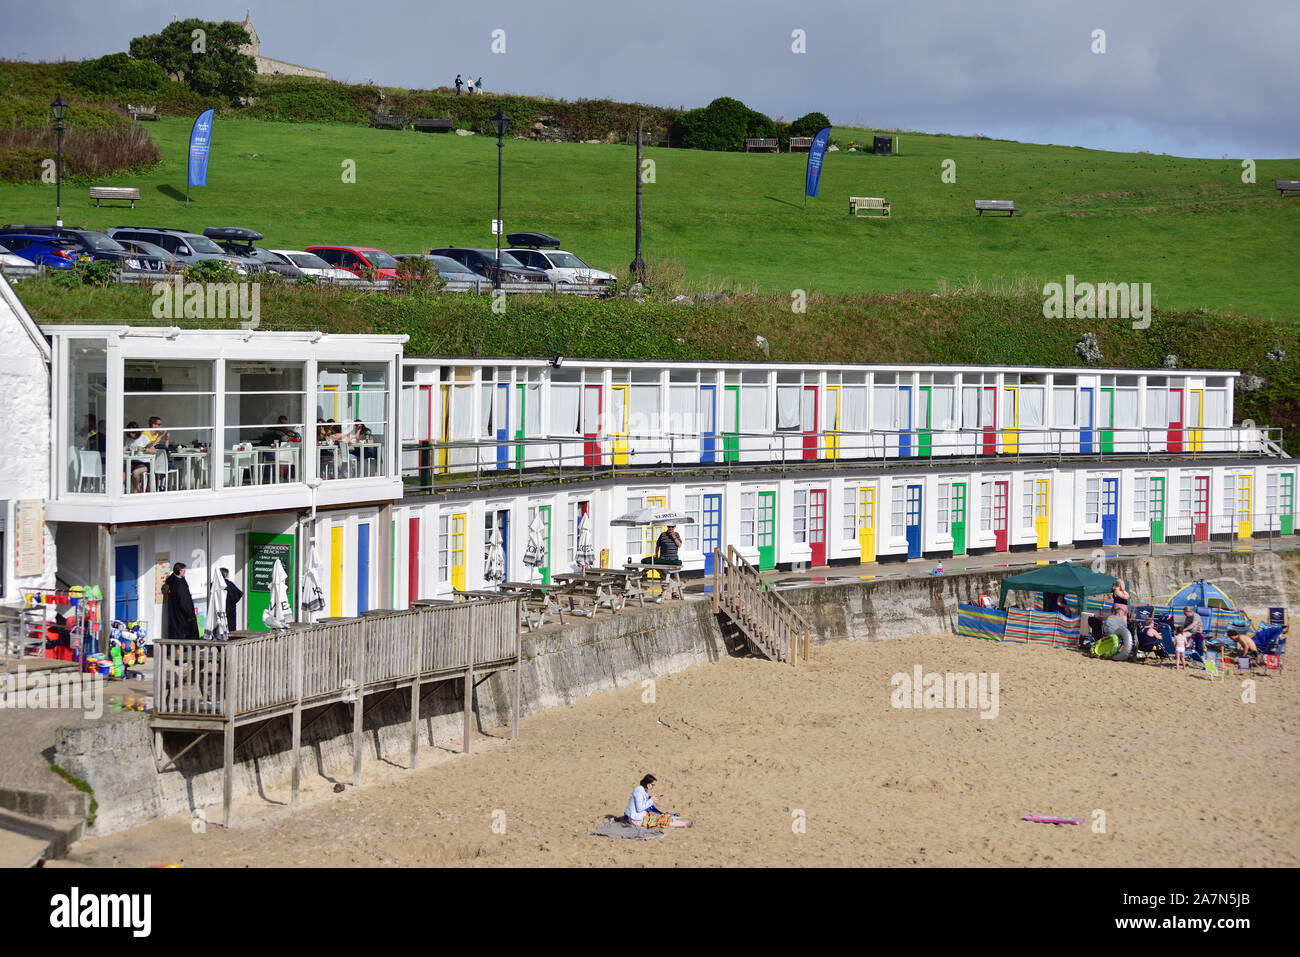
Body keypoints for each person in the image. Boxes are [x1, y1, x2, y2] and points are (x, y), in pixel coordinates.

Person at [624, 774, 692, 829]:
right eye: (653, 785)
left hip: (641, 815)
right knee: (660, 820)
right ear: (648, 784)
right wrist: (651, 800)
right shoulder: (638, 791)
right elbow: (639, 808)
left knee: (661, 817)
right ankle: (684, 824)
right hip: (636, 819)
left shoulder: (644, 790)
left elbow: (644, 803)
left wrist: (653, 800)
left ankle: (682, 823)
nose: (653, 787)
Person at [162, 562, 199, 639]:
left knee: (177, 633)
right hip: (182, 615)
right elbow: (183, 600)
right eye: (183, 570)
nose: (184, 572)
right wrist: (189, 615)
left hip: (176, 613)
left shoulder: (174, 580)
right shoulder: (179, 584)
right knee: (184, 634)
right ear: (179, 571)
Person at [220, 568, 243, 632]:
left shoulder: (214, 584)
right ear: (226, 575)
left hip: (218, 612)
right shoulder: (230, 585)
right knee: (230, 631)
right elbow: (238, 595)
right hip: (229, 612)